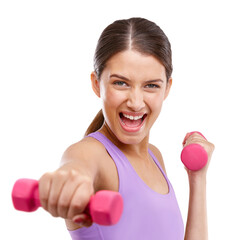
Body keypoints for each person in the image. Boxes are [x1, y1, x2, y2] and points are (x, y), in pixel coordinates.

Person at [39, 17, 215, 240]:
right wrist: (69, 181)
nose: (136, 101)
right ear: (96, 84)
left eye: (151, 85)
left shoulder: (155, 157)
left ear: (167, 88)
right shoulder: (91, 153)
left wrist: (197, 177)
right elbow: (77, 166)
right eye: (120, 83)